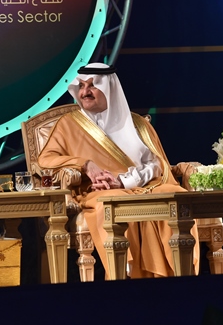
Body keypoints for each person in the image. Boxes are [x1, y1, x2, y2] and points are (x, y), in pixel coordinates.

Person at [37, 63, 197, 279]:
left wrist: (125, 181)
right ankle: (125, 276)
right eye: (81, 86)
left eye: (93, 85)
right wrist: (85, 164)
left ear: (109, 88)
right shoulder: (69, 125)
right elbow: (45, 161)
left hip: (142, 186)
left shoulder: (138, 124)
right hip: (99, 190)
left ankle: (182, 274)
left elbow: (156, 164)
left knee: (176, 196)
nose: (85, 92)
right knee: (115, 202)